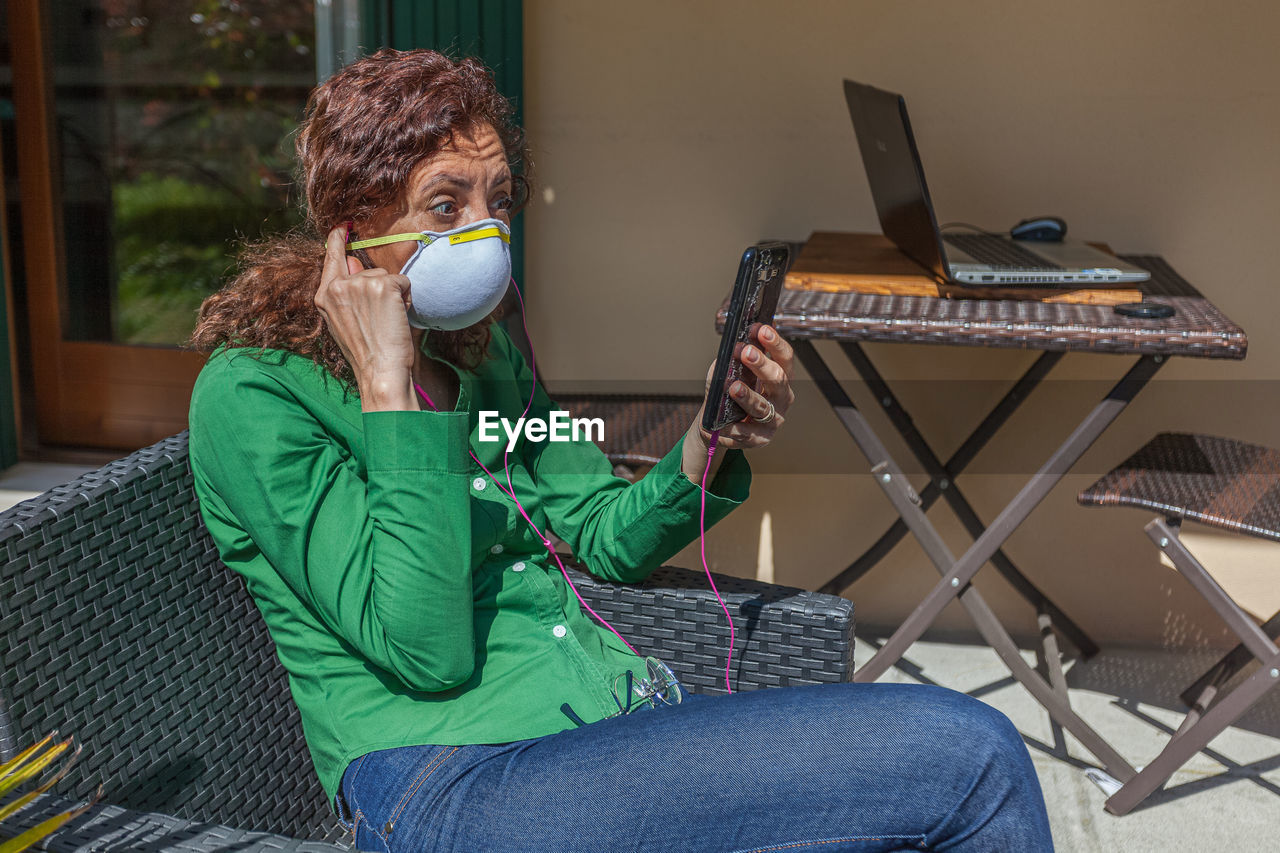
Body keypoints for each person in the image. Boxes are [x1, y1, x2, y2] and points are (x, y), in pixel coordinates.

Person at [187, 48, 1054, 853]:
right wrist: (389, 388)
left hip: (610, 729)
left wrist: (707, 447)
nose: (487, 235)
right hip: (449, 779)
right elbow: (426, 651)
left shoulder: (484, 352)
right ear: (352, 229)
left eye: (498, 201)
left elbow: (599, 528)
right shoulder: (255, 395)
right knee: (969, 754)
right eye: (447, 205)